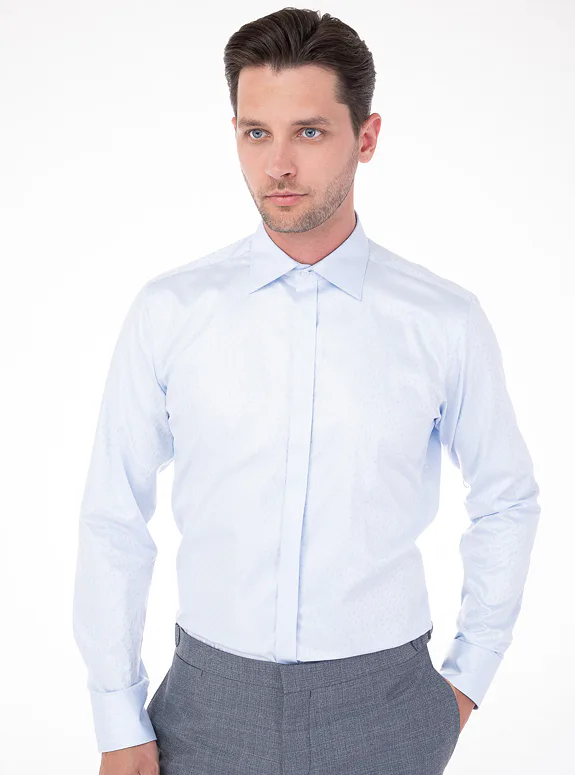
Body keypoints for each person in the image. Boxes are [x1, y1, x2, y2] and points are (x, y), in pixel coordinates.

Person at [72, 7, 541, 775]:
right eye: (256, 132)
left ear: (366, 137)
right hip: (203, 710)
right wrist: (116, 718)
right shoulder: (170, 311)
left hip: (387, 709)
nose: (278, 164)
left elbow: (506, 499)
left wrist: (464, 682)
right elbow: (114, 514)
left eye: (310, 132)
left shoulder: (441, 320)